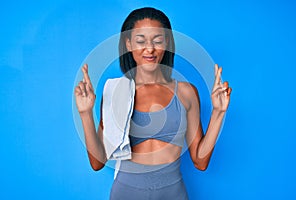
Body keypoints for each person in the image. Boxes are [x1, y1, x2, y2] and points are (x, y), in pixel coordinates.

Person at [74, 7, 232, 200]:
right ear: (129, 43)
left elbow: (200, 161)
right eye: (141, 41)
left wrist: (218, 111)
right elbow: (97, 162)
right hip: (126, 193)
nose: (150, 48)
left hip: (173, 193)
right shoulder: (116, 92)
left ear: (167, 43)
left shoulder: (186, 92)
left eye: (157, 40)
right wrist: (85, 113)